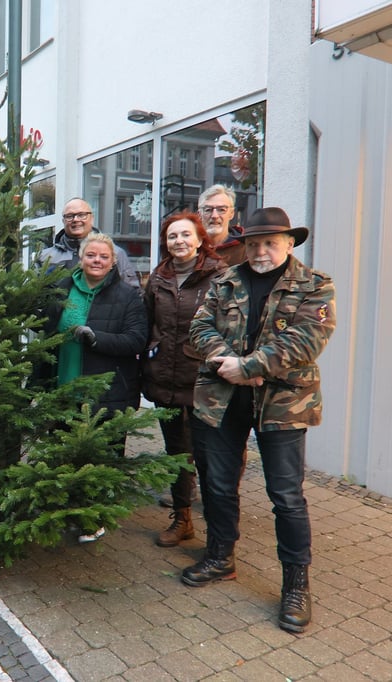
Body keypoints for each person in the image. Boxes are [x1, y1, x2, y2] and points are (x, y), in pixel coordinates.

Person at [182, 207, 335, 634]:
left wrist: (248, 367)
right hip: (223, 396)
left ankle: (296, 585)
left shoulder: (314, 286)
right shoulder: (225, 280)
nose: (261, 251)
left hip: (282, 403)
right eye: (253, 243)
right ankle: (219, 556)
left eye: (270, 242)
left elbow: (306, 340)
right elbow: (198, 328)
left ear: (289, 243)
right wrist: (225, 361)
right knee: (217, 483)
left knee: (286, 496)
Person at [43, 232, 148, 543]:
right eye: (91, 255)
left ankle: (95, 517)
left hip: (106, 392)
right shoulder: (61, 288)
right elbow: (45, 330)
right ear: (81, 258)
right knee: (66, 453)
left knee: (100, 458)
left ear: (113, 261)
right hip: (64, 386)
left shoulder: (127, 296)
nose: (97, 261)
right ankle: (68, 510)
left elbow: (136, 339)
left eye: (104, 257)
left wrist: (97, 338)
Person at [141, 211, 226, 548]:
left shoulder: (218, 276)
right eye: (173, 236)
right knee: (176, 453)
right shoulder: (158, 279)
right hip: (165, 378)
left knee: (209, 455)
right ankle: (183, 520)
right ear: (166, 242)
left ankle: (219, 532)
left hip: (205, 381)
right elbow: (148, 325)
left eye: (186, 235)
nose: (179, 241)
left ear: (199, 238)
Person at [37, 197, 140, 287]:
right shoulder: (45, 257)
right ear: (63, 221)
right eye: (69, 216)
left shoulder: (115, 253)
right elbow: (33, 298)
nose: (75, 220)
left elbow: (133, 295)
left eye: (82, 215)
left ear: (92, 218)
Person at [198, 184, 246, 266]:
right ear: (199, 214)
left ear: (231, 214)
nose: (214, 216)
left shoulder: (245, 249)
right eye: (208, 210)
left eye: (221, 210)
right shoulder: (190, 249)